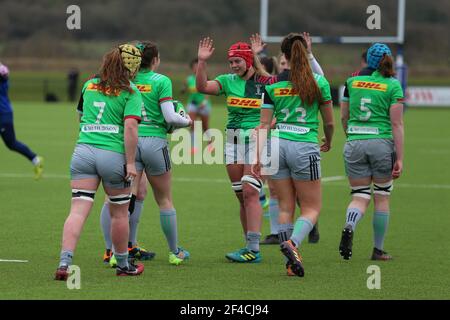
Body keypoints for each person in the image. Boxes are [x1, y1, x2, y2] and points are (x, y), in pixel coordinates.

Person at [54, 44, 144, 280]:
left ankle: (64, 262)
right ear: (131, 67)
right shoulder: (132, 92)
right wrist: (132, 163)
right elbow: (131, 128)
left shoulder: (88, 84)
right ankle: (123, 265)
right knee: (119, 213)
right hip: (113, 156)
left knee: (77, 211)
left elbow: (80, 117)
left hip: (83, 152)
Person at [100, 41, 192, 266]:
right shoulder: (161, 81)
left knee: (116, 198)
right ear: (156, 60)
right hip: (155, 142)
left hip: (127, 142)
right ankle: (174, 252)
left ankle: (112, 252)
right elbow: (170, 117)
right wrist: (187, 121)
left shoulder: (123, 80)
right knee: (164, 200)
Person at [253, 33, 334, 277]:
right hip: (304, 146)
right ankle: (294, 244)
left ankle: (290, 263)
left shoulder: (272, 85)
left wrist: (257, 157)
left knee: (285, 206)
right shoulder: (318, 82)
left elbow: (264, 125)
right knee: (311, 208)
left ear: (284, 56)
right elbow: (329, 123)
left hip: (276, 146)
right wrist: (328, 141)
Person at [197, 37, 279, 263]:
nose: (233, 66)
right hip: (233, 140)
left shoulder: (268, 82)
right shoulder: (227, 80)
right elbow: (202, 87)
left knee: (251, 192)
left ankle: (254, 249)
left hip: (258, 141)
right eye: (231, 62)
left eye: (237, 61)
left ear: (248, 60)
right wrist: (202, 62)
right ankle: (248, 245)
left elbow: (282, 111)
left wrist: (266, 126)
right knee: (242, 196)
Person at [339, 43, 404, 261]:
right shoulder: (393, 85)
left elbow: (343, 117)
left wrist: (351, 136)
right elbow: (397, 124)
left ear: (367, 59)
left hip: (354, 142)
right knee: (382, 197)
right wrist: (400, 158)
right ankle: (378, 250)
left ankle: (350, 223)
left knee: (359, 196)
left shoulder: (352, 81)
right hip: (381, 143)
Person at [0, 62, 44, 179]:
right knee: (11, 144)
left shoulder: (2, 75)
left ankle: (35, 159)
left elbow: (3, 73)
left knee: (11, 143)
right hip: (5, 113)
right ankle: (35, 159)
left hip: (3, 115)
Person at [182, 58, 213, 154]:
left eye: (198, 66)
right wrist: (183, 89)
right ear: (192, 68)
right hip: (193, 104)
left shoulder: (205, 78)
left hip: (204, 105)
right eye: (195, 66)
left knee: (205, 126)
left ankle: (210, 144)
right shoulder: (189, 79)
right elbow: (185, 88)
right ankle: (194, 147)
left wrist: (204, 102)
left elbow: (209, 91)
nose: (196, 68)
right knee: (192, 124)